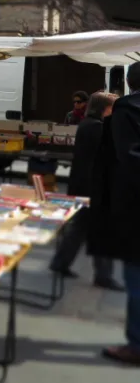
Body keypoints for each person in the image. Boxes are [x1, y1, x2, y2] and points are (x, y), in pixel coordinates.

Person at [89, 63, 140, 366]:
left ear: (129, 82)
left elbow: (127, 160)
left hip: (134, 207)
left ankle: (136, 344)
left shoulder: (127, 110)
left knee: (136, 277)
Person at [50, 91, 121, 289]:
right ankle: (103, 276)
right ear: (105, 109)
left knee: (81, 227)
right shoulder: (97, 127)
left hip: (84, 184)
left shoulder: (88, 125)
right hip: (94, 186)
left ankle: (61, 263)